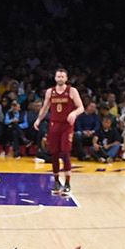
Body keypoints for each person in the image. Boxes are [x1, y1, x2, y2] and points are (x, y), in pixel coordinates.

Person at [42, 68, 85, 196]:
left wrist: (74, 113)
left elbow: (81, 107)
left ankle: (67, 183)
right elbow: (45, 108)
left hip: (67, 126)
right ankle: (56, 181)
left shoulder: (72, 91)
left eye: (62, 77)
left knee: (65, 153)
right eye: (58, 76)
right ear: (55, 78)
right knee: (54, 153)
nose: (60, 78)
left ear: (66, 78)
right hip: (54, 125)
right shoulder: (50, 92)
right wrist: (38, 120)